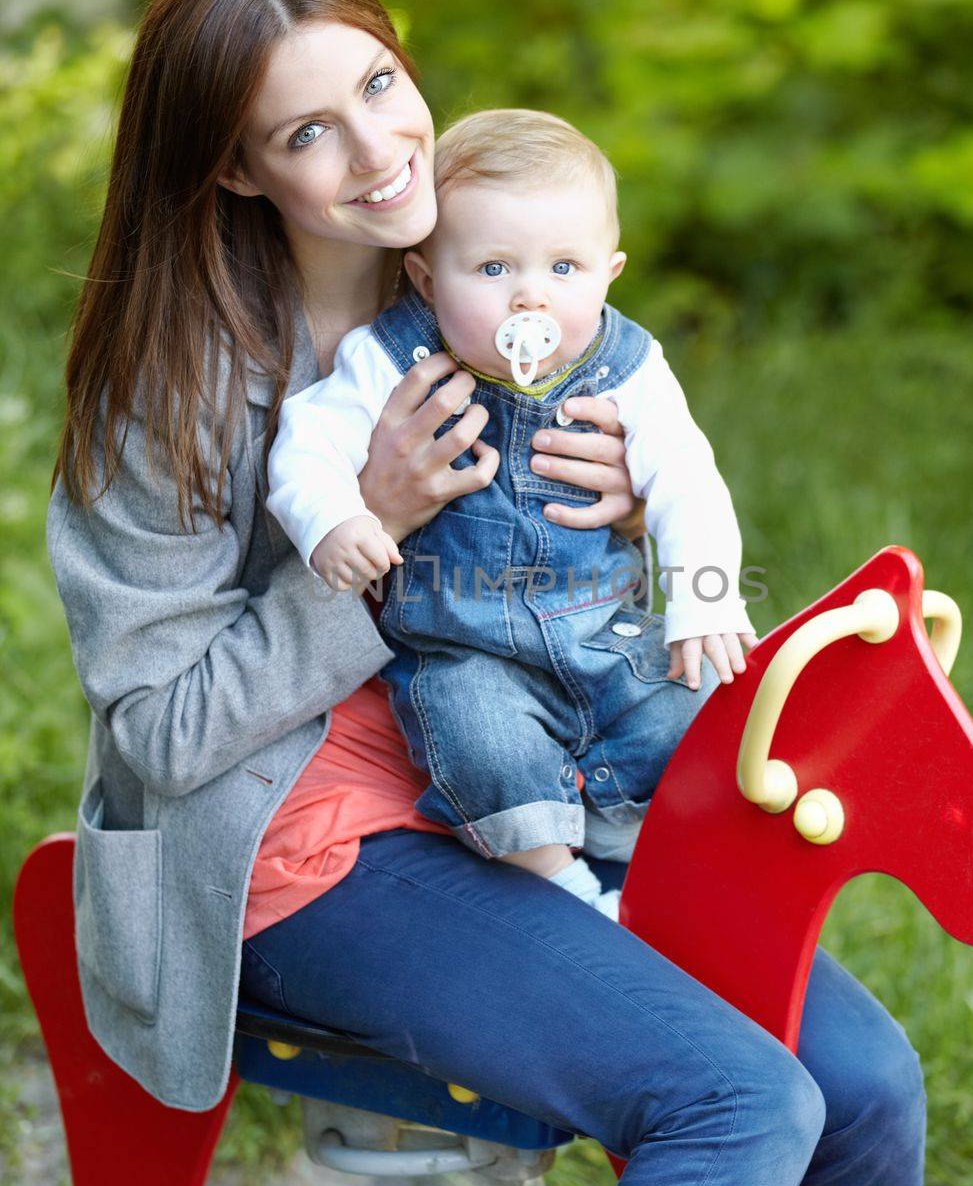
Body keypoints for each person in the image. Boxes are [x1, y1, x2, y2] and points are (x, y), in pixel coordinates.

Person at [46, 0, 925, 1186]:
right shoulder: (174, 385)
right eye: (307, 131)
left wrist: (628, 515)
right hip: (304, 834)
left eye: (383, 84)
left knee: (863, 1080)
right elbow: (157, 730)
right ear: (236, 170)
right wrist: (374, 531)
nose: (381, 149)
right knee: (734, 1100)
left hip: (537, 762)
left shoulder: (490, 256)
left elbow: (650, 459)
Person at [265, 105, 758, 914]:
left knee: (688, 710)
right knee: (477, 737)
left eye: (564, 269)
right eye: (492, 270)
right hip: (466, 644)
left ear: (609, 272)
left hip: (602, 624)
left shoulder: (626, 366)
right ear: (428, 278)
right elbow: (305, 443)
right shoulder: (394, 357)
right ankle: (558, 879)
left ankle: (635, 847)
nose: (531, 297)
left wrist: (703, 598)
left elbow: (686, 476)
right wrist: (338, 519)